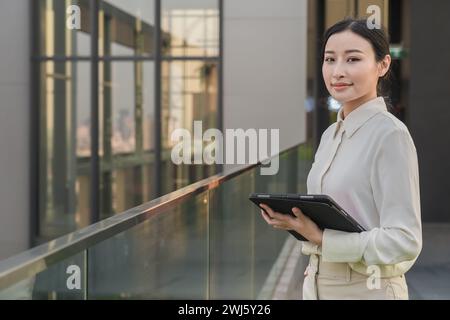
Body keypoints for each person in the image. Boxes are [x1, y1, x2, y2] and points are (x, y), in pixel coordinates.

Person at [259, 18, 422, 300]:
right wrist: (297, 222)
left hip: (368, 288)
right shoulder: (330, 135)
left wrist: (324, 239)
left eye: (353, 59)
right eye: (330, 59)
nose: (338, 71)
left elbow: (405, 240)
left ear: (382, 65)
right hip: (319, 282)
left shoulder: (390, 135)